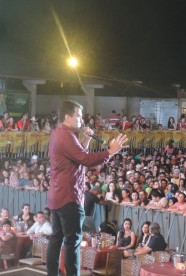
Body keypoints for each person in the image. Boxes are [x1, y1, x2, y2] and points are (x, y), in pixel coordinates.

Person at [46, 100, 128, 276]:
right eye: (78, 115)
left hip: (57, 196)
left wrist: (86, 139)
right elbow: (87, 160)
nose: (82, 119)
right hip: (69, 197)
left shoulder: (59, 133)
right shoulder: (66, 136)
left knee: (57, 239)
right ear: (67, 116)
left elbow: (78, 156)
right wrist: (110, 152)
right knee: (72, 243)